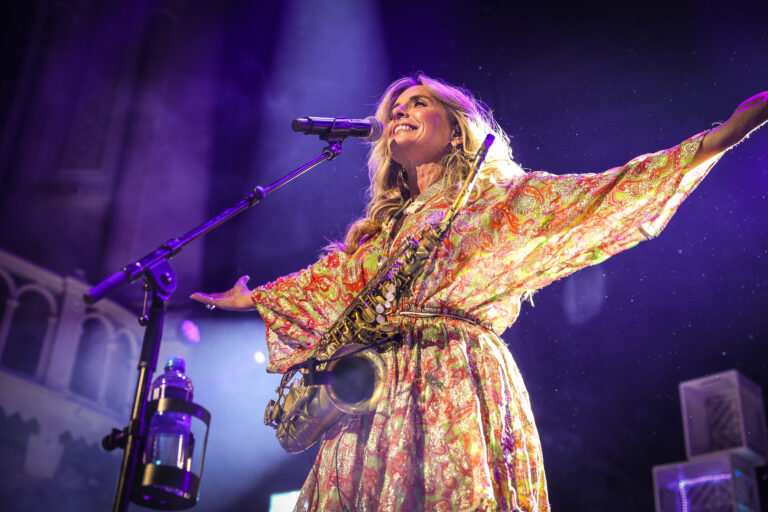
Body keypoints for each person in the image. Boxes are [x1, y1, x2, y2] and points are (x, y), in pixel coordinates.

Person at [191, 74, 767, 512]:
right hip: (370, 389)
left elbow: (604, 194)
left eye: (420, 103)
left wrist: (720, 138)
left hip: (451, 372)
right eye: (394, 109)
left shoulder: (501, 198)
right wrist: (255, 299)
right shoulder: (385, 227)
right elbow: (333, 284)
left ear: (458, 123)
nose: (401, 113)